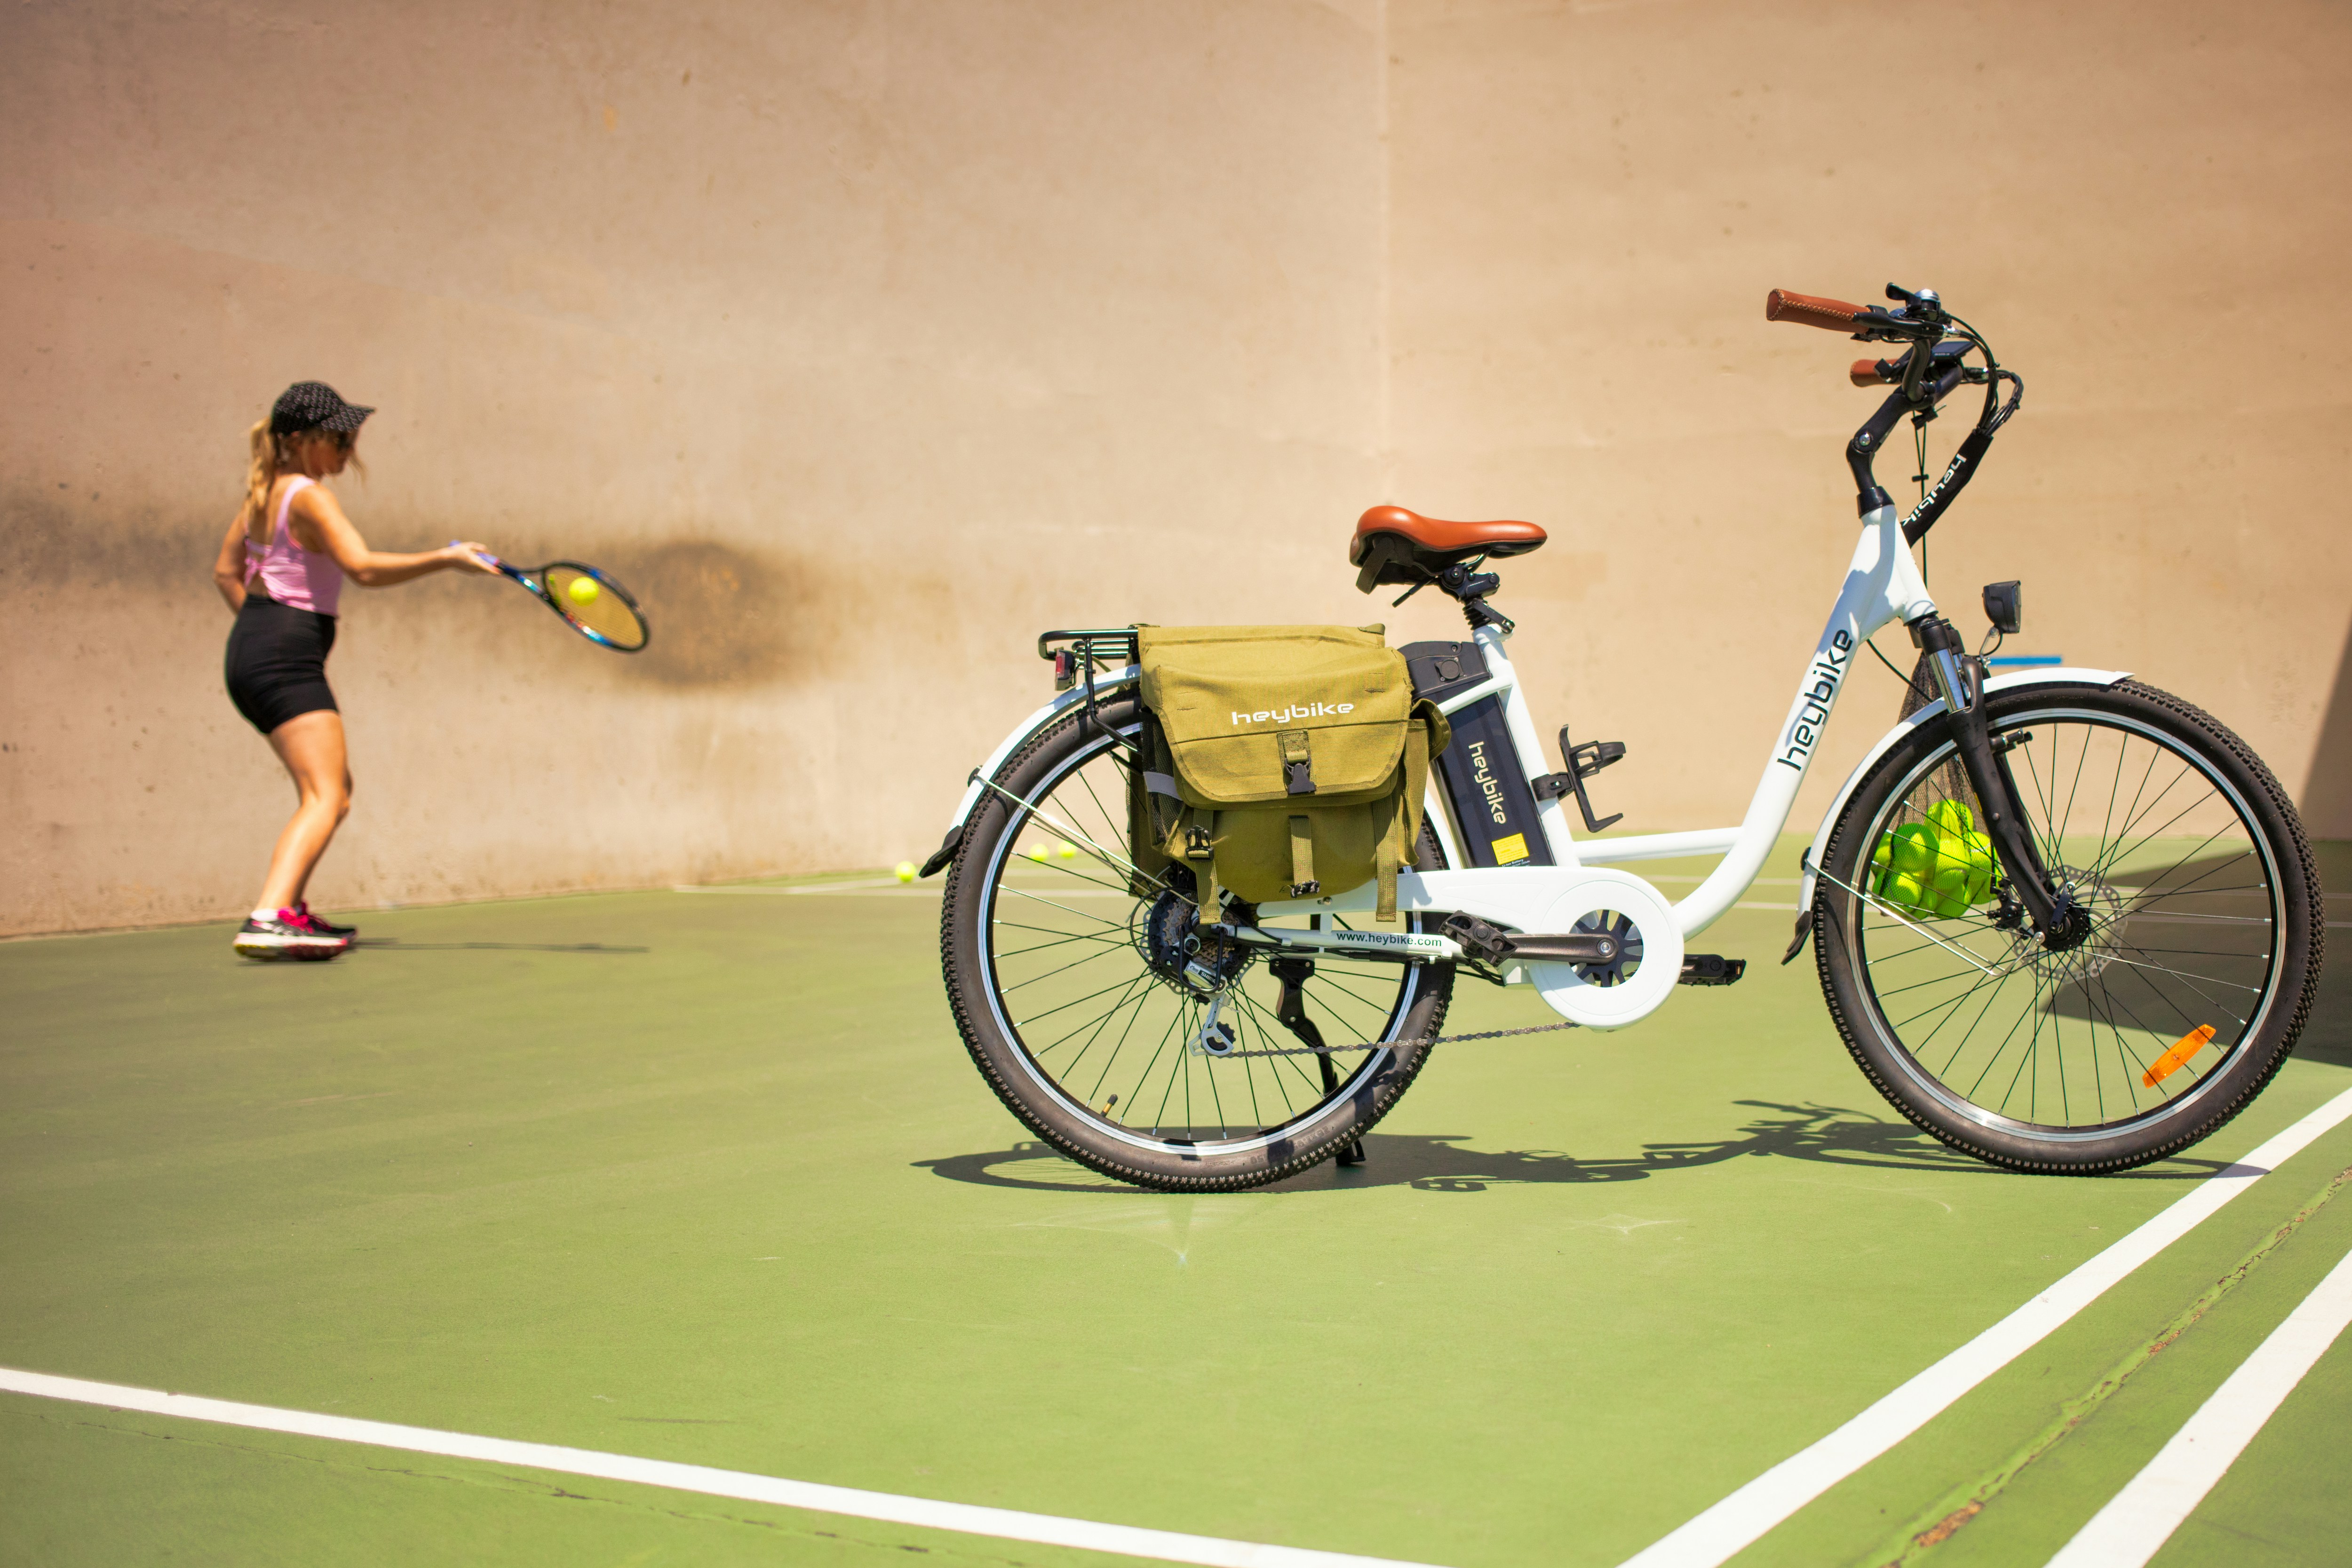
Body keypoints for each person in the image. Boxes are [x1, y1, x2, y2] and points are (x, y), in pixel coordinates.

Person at [211, 381, 495, 960]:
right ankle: (269, 915)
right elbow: (362, 568)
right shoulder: (309, 496)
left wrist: (264, 630)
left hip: (254, 652)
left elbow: (225, 573)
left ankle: (287, 908)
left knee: (329, 790)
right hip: (283, 659)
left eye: (351, 439)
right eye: (337, 439)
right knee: (328, 794)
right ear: (299, 441)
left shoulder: (262, 496)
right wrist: (446, 558)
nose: (347, 452)